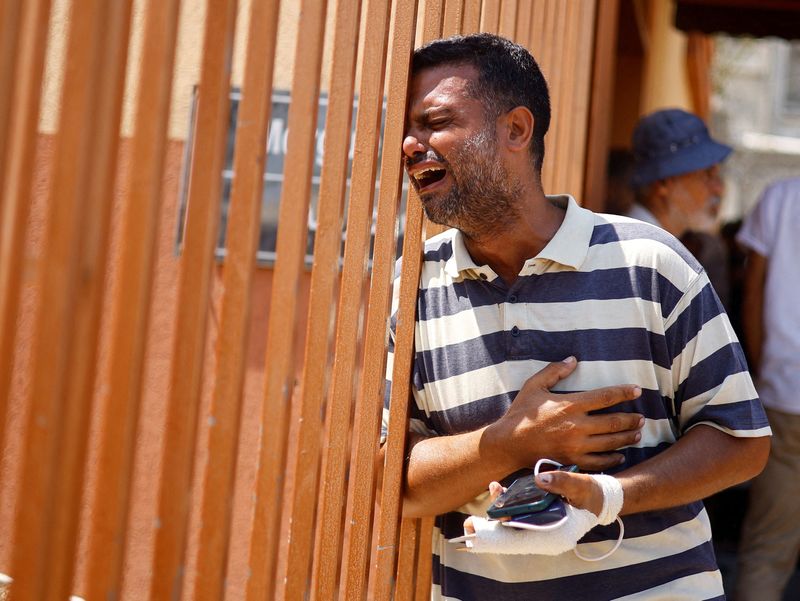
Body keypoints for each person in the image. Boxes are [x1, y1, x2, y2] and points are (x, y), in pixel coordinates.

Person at [382, 33, 771, 600]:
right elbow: (397, 484)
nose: (411, 145)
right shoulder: (411, 287)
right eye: (406, 129)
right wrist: (509, 442)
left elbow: (741, 440)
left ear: (516, 129)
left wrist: (607, 498)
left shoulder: (651, 263)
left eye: (436, 121)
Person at [734, 178, 800, 601]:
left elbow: (752, 291)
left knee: (767, 550)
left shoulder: (781, 197)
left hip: (784, 392)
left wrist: (760, 371)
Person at [628, 108, 733, 309]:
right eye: (707, 175)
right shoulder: (641, 254)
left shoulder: (655, 247)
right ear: (664, 184)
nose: (718, 188)